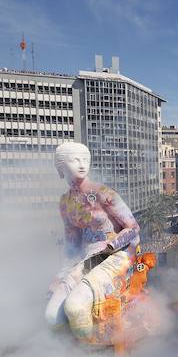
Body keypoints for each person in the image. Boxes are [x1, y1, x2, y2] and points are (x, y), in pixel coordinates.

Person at [45, 142, 140, 339]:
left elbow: (133, 227)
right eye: (75, 160)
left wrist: (111, 245)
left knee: (75, 306)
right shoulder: (65, 203)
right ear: (61, 167)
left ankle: (90, 356)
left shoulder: (103, 193)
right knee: (52, 316)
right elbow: (72, 244)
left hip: (114, 255)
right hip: (86, 259)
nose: (82, 165)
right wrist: (62, 274)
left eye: (85, 159)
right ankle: (67, 353)